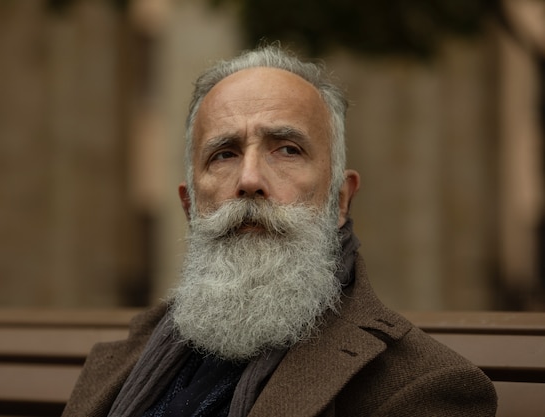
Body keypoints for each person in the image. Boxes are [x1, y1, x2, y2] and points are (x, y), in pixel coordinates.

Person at [62, 45, 497, 417]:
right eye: (224, 154)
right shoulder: (121, 362)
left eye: (287, 149)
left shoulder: (422, 386)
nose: (250, 179)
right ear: (190, 206)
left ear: (340, 199)